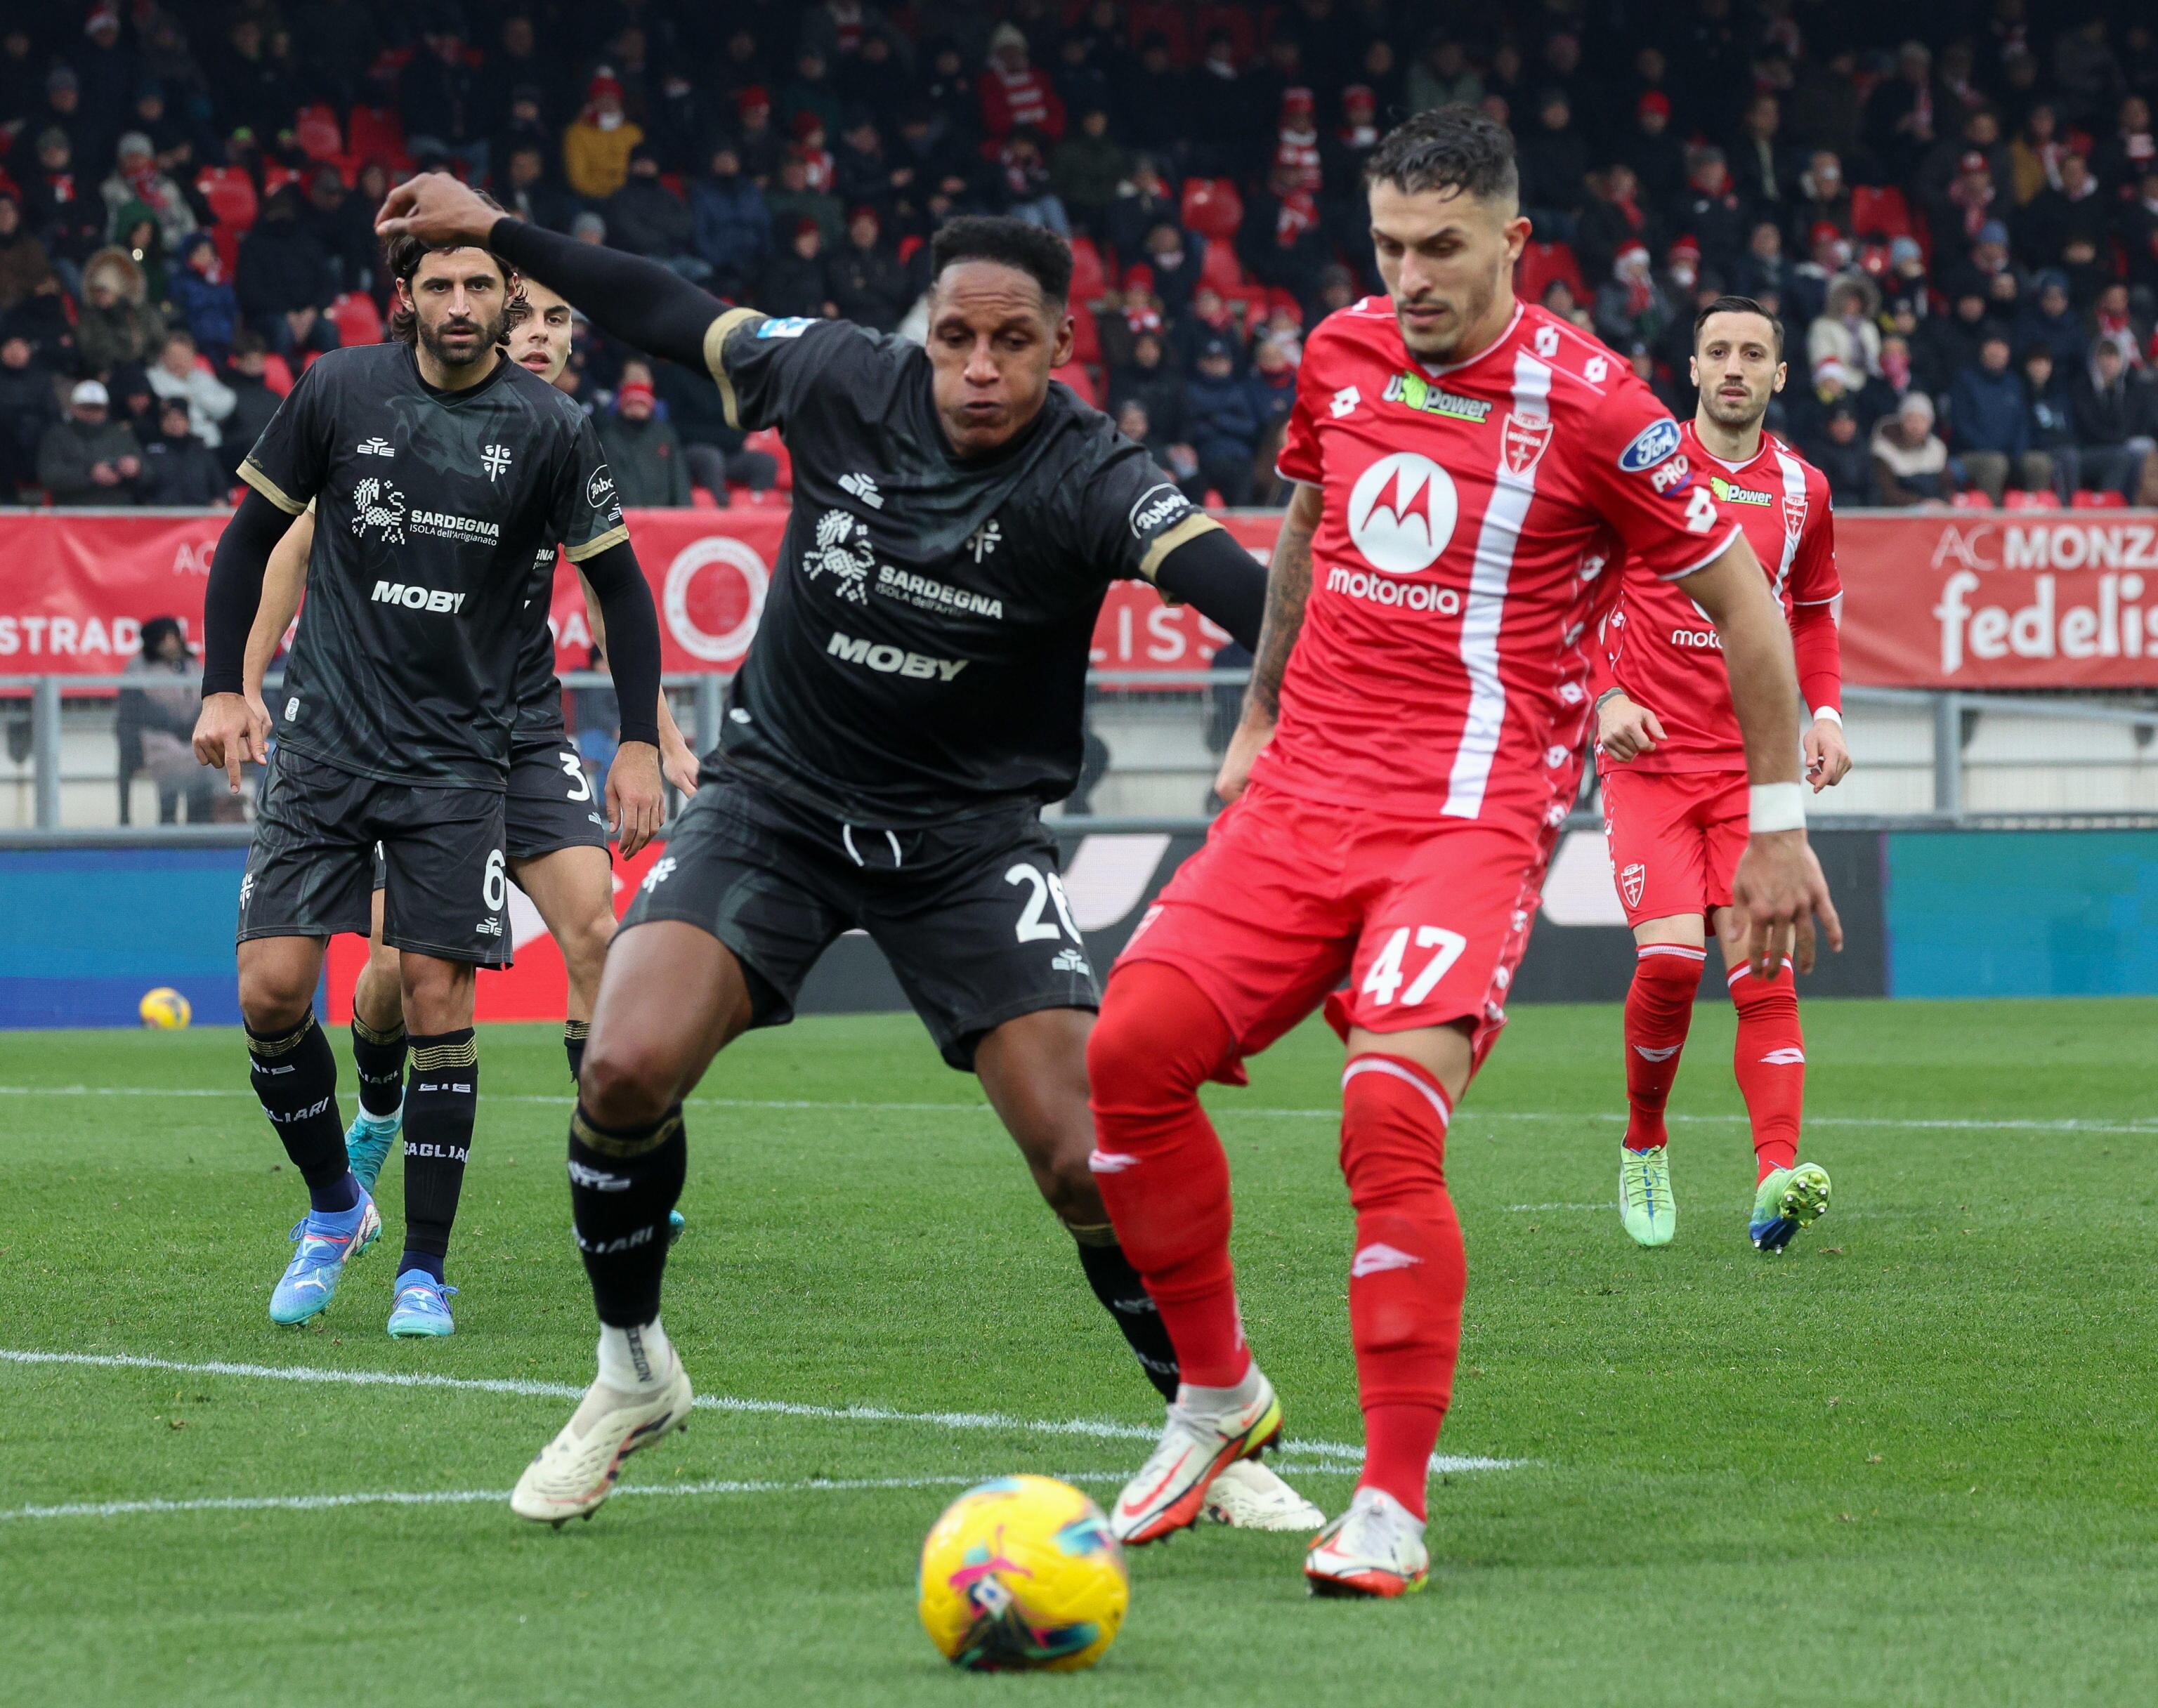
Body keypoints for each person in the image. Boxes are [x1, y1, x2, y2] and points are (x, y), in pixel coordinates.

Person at [372, 175, 1314, 1535]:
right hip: (781, 801)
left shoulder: (1094, 471)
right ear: (926, 329)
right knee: (625, 1065)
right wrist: (498, 232)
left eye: (1014, 343)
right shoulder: (835, 377)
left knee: (1083, 1155)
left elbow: (1228, 578)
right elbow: (663, 306)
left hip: (968, 836)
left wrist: (1289, 685)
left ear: (1062, 347)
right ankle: (631, 1369)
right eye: (957, 337)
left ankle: (1208, 1420)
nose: (979, 368)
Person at [1078, 107, 1837, 1597]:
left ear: (1512, 244)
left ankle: (1389, 1502)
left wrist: (1775, 822)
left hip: (1468, 815)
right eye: (1390, 247)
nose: (1411, 278)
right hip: (1301, 791)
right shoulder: (1342, 352)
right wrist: (1254, 715)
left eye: (1442, 248)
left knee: (1385, 1112)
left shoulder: (1602, 405)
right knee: (1128, 1054)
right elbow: (1304, 519)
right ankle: (1219, 1398)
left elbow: (1752, 605)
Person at [188, 225, 667, 1340]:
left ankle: (425, 1270)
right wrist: (227, 686)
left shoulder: (552, 428)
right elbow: (253, 539)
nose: (461, 302)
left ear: (508, 298)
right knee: (269, 990)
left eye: (480, 286)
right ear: (404, 296)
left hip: (461, 753)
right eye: (438, 285)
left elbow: (624, 592)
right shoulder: (339, 389)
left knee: (443, 996)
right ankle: (333, 1209)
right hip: (328, 737)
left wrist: (640, 739)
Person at [1591, 296, 1850, 1254]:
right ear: (1692, 370)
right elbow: (1577, 587)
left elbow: (1814, 613)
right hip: (1650, 762)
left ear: (1782, 376)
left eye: (1754, 353)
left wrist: (1823, 714)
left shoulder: (1804, 491)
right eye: (1718, 352)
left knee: (1763, 973)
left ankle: (1774, 1176)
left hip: (1755, 770)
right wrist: (1604, 697)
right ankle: (1645, 1141)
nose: (1735, 367)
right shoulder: (1641, 475)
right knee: (1667, 960)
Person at [119, 615, 217, 823]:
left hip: (193, 735)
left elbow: (205, 699)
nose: (171, 644)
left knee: (204, 761)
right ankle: (168, 823)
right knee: (172, 763)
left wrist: (193, 725)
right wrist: (173, 725)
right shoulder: (138, 668)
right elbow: (136, 710)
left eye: (174, 637)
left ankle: (200, 823)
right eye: (165, 639)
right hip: (155, 739)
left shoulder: (191, 665)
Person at [1949, 331, 2052, 501]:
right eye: (1992, 345)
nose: (1997, 351)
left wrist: (2017, 453)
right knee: (1995, 464)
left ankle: (2037, 518)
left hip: (2010, 455)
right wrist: (1991, 450)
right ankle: (1993, 523)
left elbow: (2023, 424)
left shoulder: (2014, 383)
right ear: (1983, 349)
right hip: (1971, 454)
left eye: (2002, 346)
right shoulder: (1965, 380)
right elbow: (1962, 426)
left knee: (2039, 462)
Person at [596, 366, 693, 506]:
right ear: (622, 404)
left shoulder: (665, 434)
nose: (636, 408)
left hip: (665, 520)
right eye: (631, 403)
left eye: (641, 403)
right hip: (626, 519)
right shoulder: (608, 438)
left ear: (650, 405)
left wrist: (684, 519)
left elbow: (680, 482)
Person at [37, 377, 143, 504]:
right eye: (86, 408)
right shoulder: (57, 435)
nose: (91, 413)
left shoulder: (121, 434)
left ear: (106, 409)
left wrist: (136, 468)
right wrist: (90, 475)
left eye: (97, 408)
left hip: (118, 510)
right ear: (73, 407)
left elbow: (148, 473)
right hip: (72, 511)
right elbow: (49, 475)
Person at [137, 393, 229, 506]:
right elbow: (140, 487)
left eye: (180, 418)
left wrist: (221, 501)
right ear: (161, 422)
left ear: (188, 421)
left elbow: (220, 487)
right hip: (161, 517)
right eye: (169, 419)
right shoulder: (150, 450)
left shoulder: (202, 450)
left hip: (200, 517)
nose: (174, 423)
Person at [1870, 391, 1950, 504]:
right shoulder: (1884, 449)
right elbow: (1886, 492)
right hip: (1899, 515)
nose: (1916, 426)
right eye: (1911, 419)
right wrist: (1920, 503)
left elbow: (1947, 486)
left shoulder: (1937, 449)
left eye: (1921, 420)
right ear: (1901, 420)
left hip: (1934, 512)